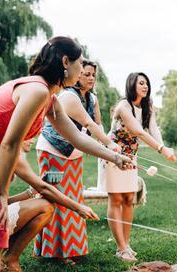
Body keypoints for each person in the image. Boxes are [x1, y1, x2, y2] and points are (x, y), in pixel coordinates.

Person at [0, 36, 131, 272]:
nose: (82, 69)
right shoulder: (37, 90)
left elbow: (77, 136)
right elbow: (10, 144)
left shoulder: (47, 95)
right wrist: (2, 192)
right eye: (80, 63)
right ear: (65, 61)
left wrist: (113, 156)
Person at [34, 60, 120, 261]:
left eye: (93, 75)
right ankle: (54, 251)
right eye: (86, 74)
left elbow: (97, 124)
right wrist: (109, 145)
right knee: (56, 198)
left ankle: (73, 248)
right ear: (77, 75)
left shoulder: (92, 99)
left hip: (73, 155)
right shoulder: (68, 96)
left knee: (73, 200)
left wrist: (103, 142)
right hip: (52, 152)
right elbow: (87, 122)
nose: (91, 78)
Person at [105, 72, 177, 262]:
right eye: (141, 83)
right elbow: (137, 130)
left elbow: (153, 129)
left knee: (129, 198)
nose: (145, 87)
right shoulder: (123, 106)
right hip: (113, 156)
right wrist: (161, 149)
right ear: (132, 85)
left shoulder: (147, 106)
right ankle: (121, 248)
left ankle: (126, 244)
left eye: (147, 84)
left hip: (131, 156)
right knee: (116, 199)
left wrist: (164, 147)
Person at [1, 139, 99, 272]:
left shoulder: (13, 156)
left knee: (46, 207)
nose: (32, 140)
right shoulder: (11, 156)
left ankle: (8, 257)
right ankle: (2, 255)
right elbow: (44, 190)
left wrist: (33, 190)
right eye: (28, 136)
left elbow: (5, 201)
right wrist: (78, 208)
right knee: (45, 206)